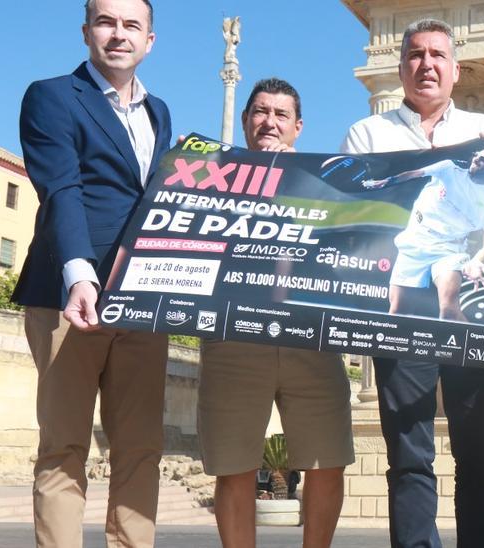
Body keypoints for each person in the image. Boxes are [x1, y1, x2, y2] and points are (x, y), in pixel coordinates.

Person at [340, 17, 484, 547]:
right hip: (402, 307)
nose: (426, 64)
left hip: (470, 307)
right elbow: (357, 222)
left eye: (437, 55)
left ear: (455, 70)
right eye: (415, 55)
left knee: (479, 454)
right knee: (409, 454)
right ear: (402, 67)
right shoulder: (368, 134)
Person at [12, 1, 170, 546]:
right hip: (66, 296)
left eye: (132, 25)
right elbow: (61, 189)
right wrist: (79, 276)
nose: (118, 34)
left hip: (142, 302)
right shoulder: (51, 96)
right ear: (86, 32)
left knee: (142, 447)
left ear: (150, 40)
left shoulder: (160, 113)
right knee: (63, 447)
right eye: (107, 22)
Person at [197, 78, 354, 548]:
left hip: (311, 337)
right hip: (233, 336)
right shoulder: (212, 175)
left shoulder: (323, 181)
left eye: (280, 115)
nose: (270, 122)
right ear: (246, 121)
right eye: (261, 112)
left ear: (298, 127)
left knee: (328, 461)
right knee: (234, 465)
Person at [361, 145, 484, 321]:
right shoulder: (448, 168)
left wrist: (477, 261)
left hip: (449, 251)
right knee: (398, 312)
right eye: (477, 154)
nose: (477, 159)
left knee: (448, 310)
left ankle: (469, 346)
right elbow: (413, 174)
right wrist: (386, 181)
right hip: (415, 243)